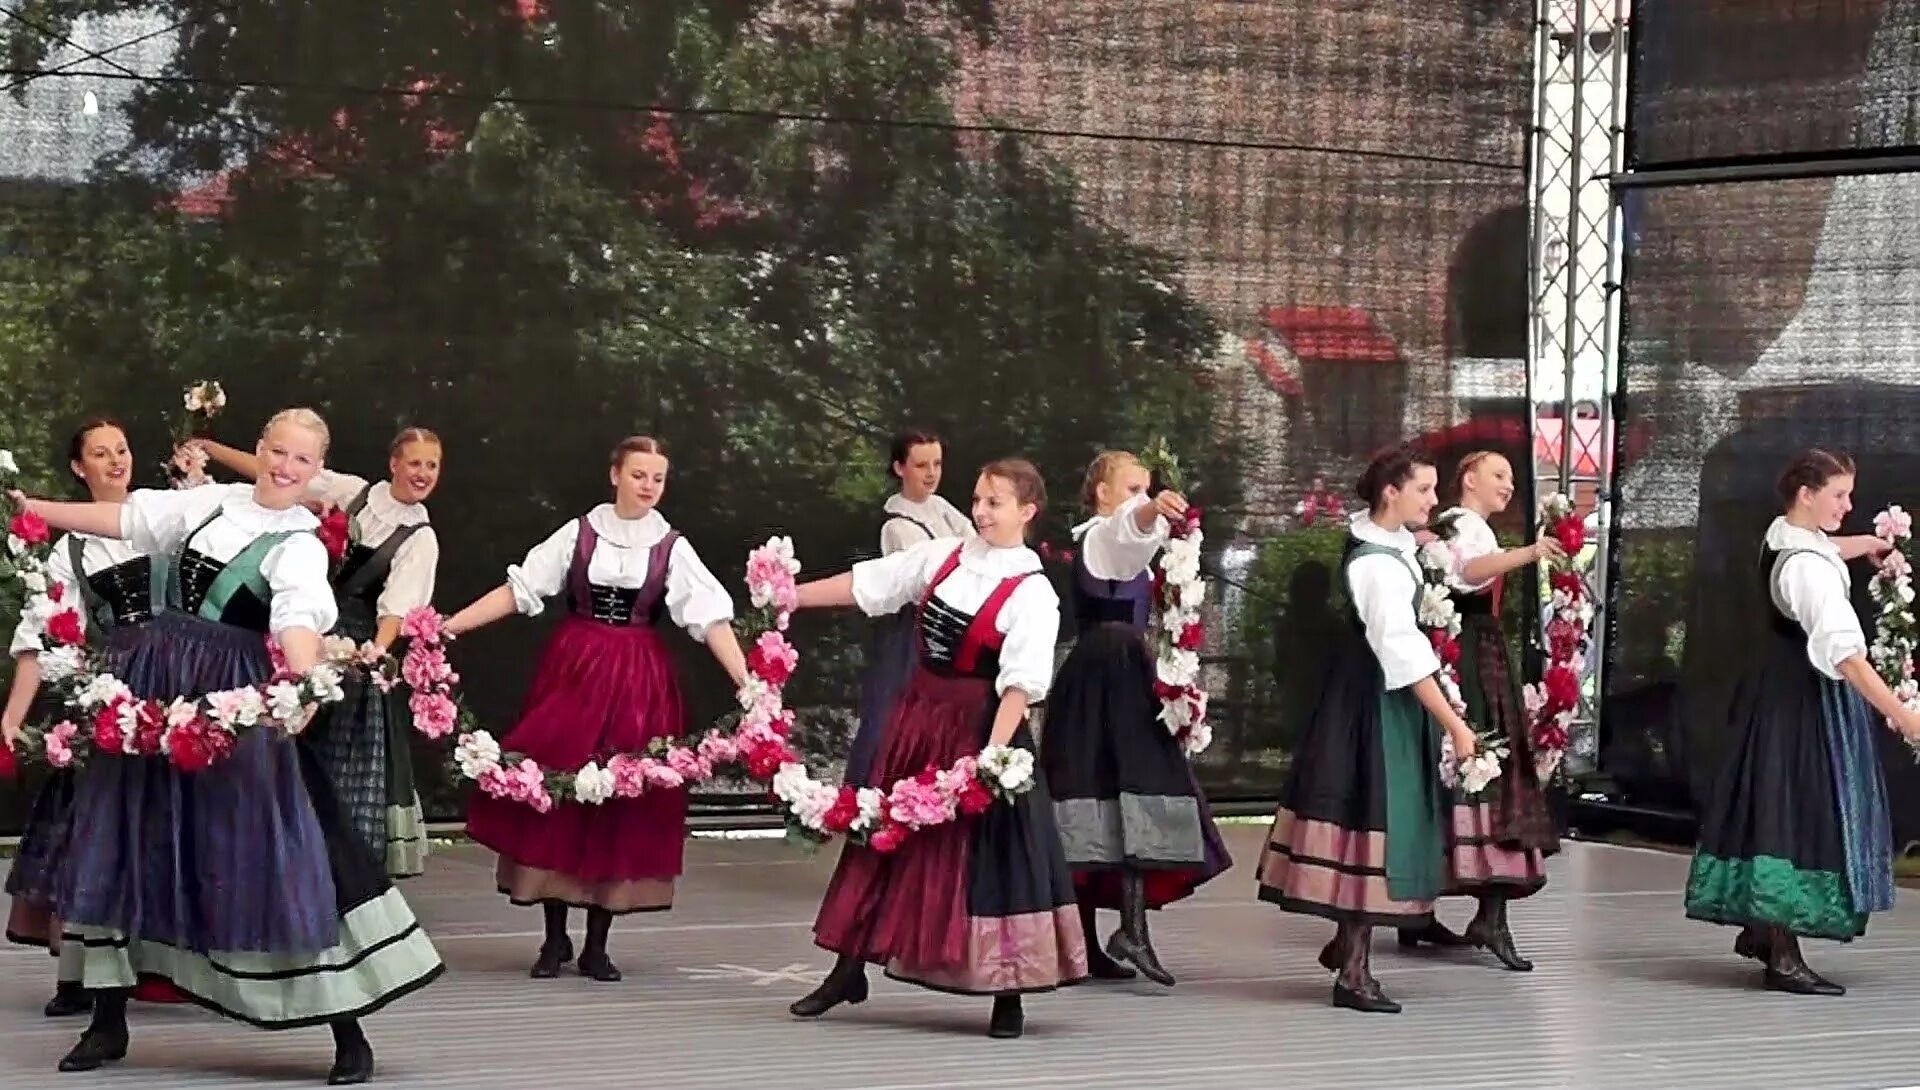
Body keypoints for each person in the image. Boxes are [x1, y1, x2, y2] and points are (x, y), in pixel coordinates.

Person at [10, 408, 443, 1084]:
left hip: (229, 700)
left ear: (313, 470)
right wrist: (34, 506)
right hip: (153, 678)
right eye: (278, 452)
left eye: (302, 460)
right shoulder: (213, 502)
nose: (286, 467)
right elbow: (125, 521)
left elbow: (297, 625)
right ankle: (107, 1020)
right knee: (132, 832)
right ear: (261, 449)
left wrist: (300, 687)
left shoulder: (299, 542)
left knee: (266, 845)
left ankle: (345, 1027)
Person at [785, 458, 1086, 1039]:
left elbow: (1019, 684)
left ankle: (1008, 991)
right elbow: (868, 583)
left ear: (1027, 511)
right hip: (919, 720)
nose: (980, 510)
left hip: (981, 731)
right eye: (977, 498)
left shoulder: (1032, 591)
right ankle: (848, 969)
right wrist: (789, 596)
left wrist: (989, 762)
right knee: (887, 837)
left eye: (994, 502)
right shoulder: (944, 558)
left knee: (992, 855)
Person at [445, 435, 749, 982]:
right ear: (615, 474)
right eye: (639, 475)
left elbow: (711, 619)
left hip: (639, 680)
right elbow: (520, 590)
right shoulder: (579, 533)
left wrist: (749, 683)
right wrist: (451, 625)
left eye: (657, 477)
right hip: (576, 670)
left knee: (621, 797)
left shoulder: (671, 547)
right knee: (558, 792)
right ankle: (554, 938)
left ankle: (598, 944)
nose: (649, 486)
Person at [1684, 449, 1920, 994]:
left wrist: (1859, 545)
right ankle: (1781, 950)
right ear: (1806, 494)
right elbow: (1846, 656)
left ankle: (1768, 932)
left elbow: (1818, 547)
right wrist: (1901, 713)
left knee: (1778, 806)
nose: (1848, 505)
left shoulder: (1785, 536)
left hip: (1776, 693)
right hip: (1803, 703)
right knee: (1800, 813)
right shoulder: (1808, 570)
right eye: (1838, 495)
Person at [1255, 446, 1477, 1013]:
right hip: (1374, 707)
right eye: (1424, 489)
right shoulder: (1374, 565)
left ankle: (1344, 947)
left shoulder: (1391, 544)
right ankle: (1353, 972)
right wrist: (1454, 723)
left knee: (1370, 821)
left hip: (1374, 700)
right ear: (1390, 493)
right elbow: (1401, 652)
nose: (1433, 499)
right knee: (1374, 820)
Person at [194, 428, 444, 878]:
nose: (422, 473)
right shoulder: (354, 493)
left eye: (431, 466)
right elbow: (282, 477)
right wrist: (211, 448)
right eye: (415, 463)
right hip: (298, 622)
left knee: (335, 765)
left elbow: (396, 611)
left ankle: (332, 873)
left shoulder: (420, 538)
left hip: (351, 648)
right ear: (394, 464)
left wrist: (374, 652)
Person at [1040, 450, 1229, 986]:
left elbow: (1139, 540)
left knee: (1129, 793)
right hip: (1102, 678)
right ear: (1101, 492)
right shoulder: (1102, 537)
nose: (1141, 499)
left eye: (1147, 488)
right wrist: (1149, 512)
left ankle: (1126, 930)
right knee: (1093, 795)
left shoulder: (1127, 547)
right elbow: (1130, 531)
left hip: (1129, 677)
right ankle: (1108, 936)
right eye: (1130, 489)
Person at [3, 420, 158, 1019]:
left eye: (121, 449)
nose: (116, 461)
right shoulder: (68, 550)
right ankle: (79, 972)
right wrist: (11, 720)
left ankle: (169, 968)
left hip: (175, 684)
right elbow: (37, 641)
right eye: (100, 453)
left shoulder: (166, 517)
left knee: (163, 828)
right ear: (77, 469)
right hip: (106, 695)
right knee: (89, 832)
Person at [1404, 451, 1563, 969]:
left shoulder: (1458, 525)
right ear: (1468, 478)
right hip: (1470, 652)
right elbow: (1469, 572)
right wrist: (1532, 551)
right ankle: (1483, 915)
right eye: (1499, 476)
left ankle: (1429, 911)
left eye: (1512, 479)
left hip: (1471, 647)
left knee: (1470, 766)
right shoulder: (1461, 525)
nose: (1508, 486)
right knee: (1487, 763)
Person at [848, 427, 971, 786]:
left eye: (936, 464)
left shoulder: (942, 509)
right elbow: (923, 582)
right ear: (900, 468)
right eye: (921, 465)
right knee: (894, 713)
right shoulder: (898, 526)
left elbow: (974, 544)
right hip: (913, 633)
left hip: (947, 627)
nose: (931, 473)